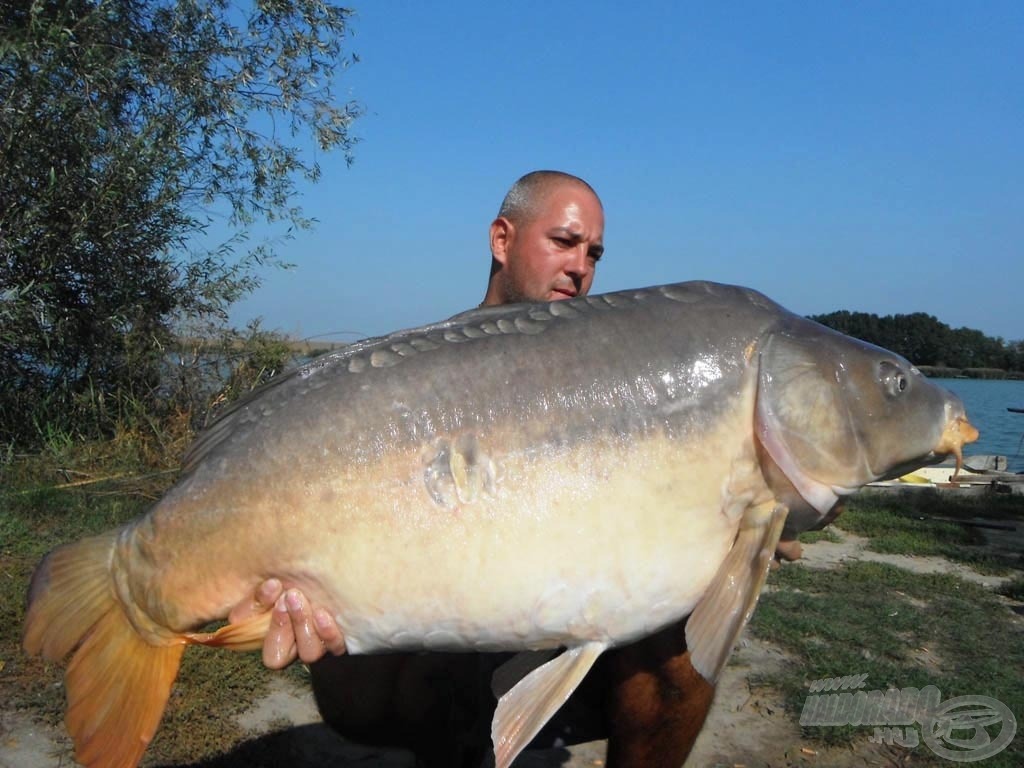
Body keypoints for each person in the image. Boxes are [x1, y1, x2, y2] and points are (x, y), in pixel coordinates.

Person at [226, 170, 797, 767]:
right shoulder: (421, 373)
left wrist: (731, 521)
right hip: (440, 649)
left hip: (571, 633)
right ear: (502, 241)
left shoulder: (614, 376)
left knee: (680, 644)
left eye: (594, 252)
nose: (581, 266)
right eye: (564, 241)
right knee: (359, 664)